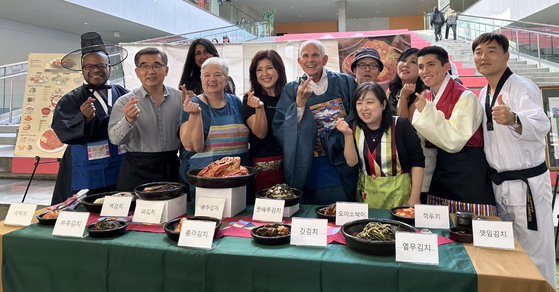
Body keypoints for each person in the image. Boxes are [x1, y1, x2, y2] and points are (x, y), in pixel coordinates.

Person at [473, 32, 556, 289]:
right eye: (478, 52)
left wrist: (515, 119)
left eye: (491, 51)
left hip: (526, 185)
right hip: (500, 183)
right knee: (508, 251)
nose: (483, 57)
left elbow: (542, 124)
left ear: (507, 56)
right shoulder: (483, 93)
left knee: (534, 253)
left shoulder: (521, 86)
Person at [272, 39, 359, 205]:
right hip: (308, 163)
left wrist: (330, 139)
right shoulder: (291, 90)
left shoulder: (345, 82)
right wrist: (299, 104)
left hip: (342, 160)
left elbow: (356, 117)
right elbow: (281, 128)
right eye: (305, 56)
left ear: (325, 59)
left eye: (315, 55)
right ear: (299, 61)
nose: (310, 60)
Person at [412, 46, 496, 215]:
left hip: (467, 172)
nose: (425, 71)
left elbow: (454, 140)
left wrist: (427, 113)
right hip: (441, 173)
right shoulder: (427, 97)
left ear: (446, 66)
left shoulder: (466, 97)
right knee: (442, 230)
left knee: (471, 232)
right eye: (421, 67)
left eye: (431, 65)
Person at [50, 32, 129, 204]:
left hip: (118, 161)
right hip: (85, 167)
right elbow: (63, 130)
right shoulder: (71, 99)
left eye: (101, 65)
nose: (95, 70)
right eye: (90, 66)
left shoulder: (123, 94)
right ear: (82, 69)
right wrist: (83, 119)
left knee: (118, 205)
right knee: (83, 207)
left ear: (109, 66)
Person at [336, 82, 424, 208]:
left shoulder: (401, 125)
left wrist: (415, 197)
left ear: (383, 104)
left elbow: (418, 162)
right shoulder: (353, 127)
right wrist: (348, 136)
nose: (364, 108)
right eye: (359, 103)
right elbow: (351, 163)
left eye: (369, 102)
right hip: (366, 197)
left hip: (399, 196)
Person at [108, 48, 182, 191]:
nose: (151, 71)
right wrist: (128, 120)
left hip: (171, 167)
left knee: (173, 212)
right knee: (135, 212)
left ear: (166, 70)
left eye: (156, 65)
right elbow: (115, 139)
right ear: (137, 72)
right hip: (136, 170)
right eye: (144, 66)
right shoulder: (124, 102)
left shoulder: (180, 99)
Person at [179, 57, 249, 198]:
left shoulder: (235, 101)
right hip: (206, 181)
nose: (212, 79)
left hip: (238, 179)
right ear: (201, 79)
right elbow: (192, 147)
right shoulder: (193, 104)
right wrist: (195, 114)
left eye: (217, 75)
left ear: (226, 80)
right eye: (207, 75)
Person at [243, 50, 287, 196]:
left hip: (290, 164)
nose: (264, 74)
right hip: (261, 166)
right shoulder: (250, 99)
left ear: (279, 70)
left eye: (269, 68)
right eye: (259, 70)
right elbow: (260, 133)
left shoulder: (288, 96)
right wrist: (259, 108)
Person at [386, 48, 428, 121]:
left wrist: (403, 96)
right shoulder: (391, 90)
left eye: (413, 62)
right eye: (403, 60)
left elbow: (405, 126)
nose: (406, 65)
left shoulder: (423, 94)